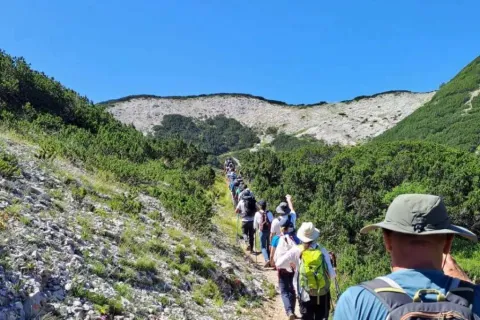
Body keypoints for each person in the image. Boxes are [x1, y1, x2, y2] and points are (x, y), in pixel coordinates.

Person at [334, 194, 480, 320]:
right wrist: (469, 288)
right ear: (448, 243)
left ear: (387, 241)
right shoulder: (475, 298)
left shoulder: (357, 300)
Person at [275, 222, 336, 320]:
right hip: (322, 293)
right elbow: (332, 275)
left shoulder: (296, 250)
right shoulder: (322, 250)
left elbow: (278, 263)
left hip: (304, 292)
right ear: (315, 237)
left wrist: (291, 267)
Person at [271, 217, 301, 320]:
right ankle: (292, 310)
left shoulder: (276, 238)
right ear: (289, 228)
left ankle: (289, 311)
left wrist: (272, 262)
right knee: (292, 289)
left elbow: (273, 252)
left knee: (284, 290)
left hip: (282, 268)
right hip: (292, 267)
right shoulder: (294, 238)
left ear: (281, 227)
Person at [254, 200, 274, 267]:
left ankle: (266, 259)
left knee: (263, 247)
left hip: (262, 232)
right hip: (269, 231)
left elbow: (255, 225)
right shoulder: (269, 213)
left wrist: (256, 231)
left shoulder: (257, 214)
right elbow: (272, 222)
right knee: (269, 245)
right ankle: (270, 262)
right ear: (266, 206)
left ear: (260, 206)